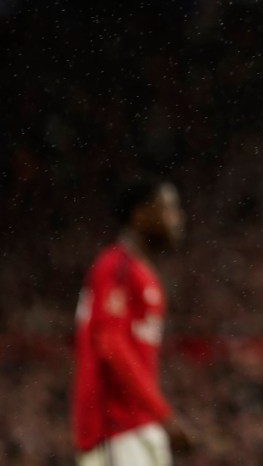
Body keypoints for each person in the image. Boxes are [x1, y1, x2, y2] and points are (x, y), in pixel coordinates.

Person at [72, 177, 192, 465]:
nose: (177, 218)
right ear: (140, 215)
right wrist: (163, 413)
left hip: (138, 423)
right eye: (168, 208)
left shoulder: (141, 272)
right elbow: (110, 345)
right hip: (115, 426)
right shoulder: (116, 267)